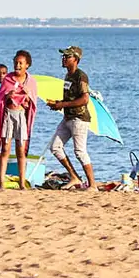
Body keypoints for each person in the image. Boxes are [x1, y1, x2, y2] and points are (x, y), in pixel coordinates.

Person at [45, 46, 96, 191]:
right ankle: (74, 177)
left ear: (76, 59)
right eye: (64, 56)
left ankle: (92, 184)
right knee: (55, 147)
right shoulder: (67, 76)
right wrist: (58, 104)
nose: (64, 59)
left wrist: (63, 104)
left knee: (80, 152)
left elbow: (85, 99)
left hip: (79, 118)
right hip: (67, 117)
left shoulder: (81, 76)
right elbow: (71, 97)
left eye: (67, 57)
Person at [0, 51, 39, 190]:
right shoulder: (8, 79)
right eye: (16, 62)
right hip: (8, 116)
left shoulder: (31, 81)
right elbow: (0, 100)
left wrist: (27, 98)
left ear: (27, 65)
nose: (17, 65)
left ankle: (22, 183)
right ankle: (1, 182)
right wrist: (8, 96)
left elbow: (33, 103)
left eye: (21, 63)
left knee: (21, 150)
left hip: (21, 116)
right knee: (5, 149)